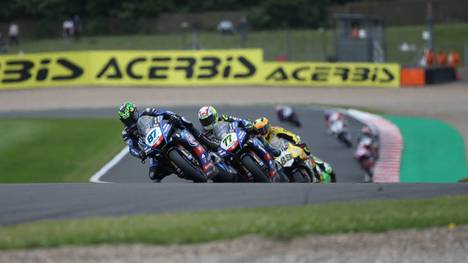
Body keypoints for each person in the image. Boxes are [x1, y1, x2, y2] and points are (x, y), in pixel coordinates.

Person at [118, 102, 214, 182]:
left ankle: (202, 138)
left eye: (132, 117)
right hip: (151, 147)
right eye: (127, 120)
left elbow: (163, 112)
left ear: (135, 112)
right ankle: (175, 168)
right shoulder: (126, 133)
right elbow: (132, 148)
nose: (130, 120)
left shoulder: (147, 112)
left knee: (183, 121)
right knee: (153, 175)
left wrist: (173, 116)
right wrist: (140, 153)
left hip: (164, 132)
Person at [197, 105, 280, 182]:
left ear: (214, 115)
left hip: (237, 136)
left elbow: (239, 120)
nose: (207, 122)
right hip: (225, 148)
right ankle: (240, 176)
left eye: (208, 119)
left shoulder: (223, 118)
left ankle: (270, 149)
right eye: (204, 121)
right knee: (222, 160)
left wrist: (247, 125)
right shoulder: (205, 133)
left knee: (255, 132)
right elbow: (207, 146)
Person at [253, 117, 336, 182]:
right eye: (260, 130)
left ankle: (316, 173)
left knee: (305, 151)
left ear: (268, 125)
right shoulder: (259, 140)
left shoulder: (275, 130)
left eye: (264, 128)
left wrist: (297, 141)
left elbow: (290, 135)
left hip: (287, 149)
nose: (263, 131)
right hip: (275, 159)